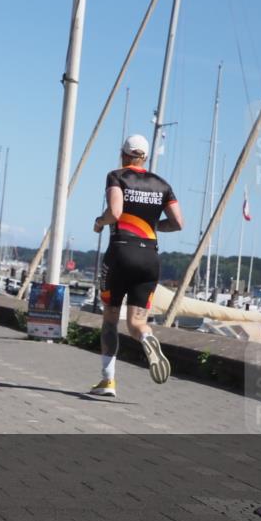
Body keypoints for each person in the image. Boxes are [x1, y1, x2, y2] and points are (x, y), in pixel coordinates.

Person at [89, 134, 183, 398]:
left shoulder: (117, 176)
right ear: (145, 157)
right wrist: (153, 225)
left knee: (110, 319)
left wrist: (99, 222)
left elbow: (115, 213)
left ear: (123, 154)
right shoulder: (162, 185)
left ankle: (108, 380)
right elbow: (177, 223)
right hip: (149, 257)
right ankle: (146, 337)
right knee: (136, 323)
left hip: (121, 253)